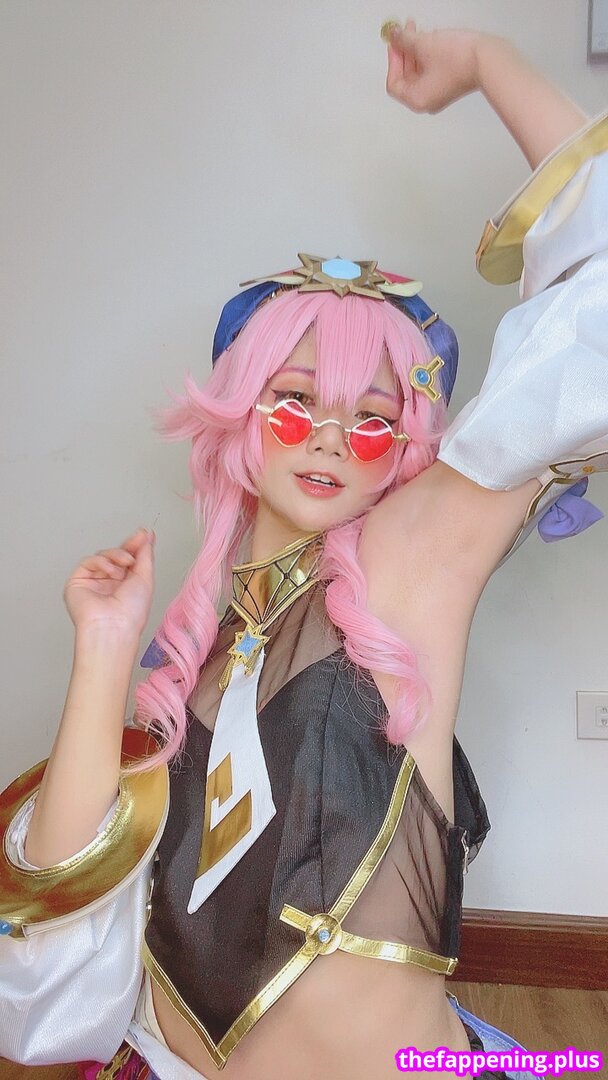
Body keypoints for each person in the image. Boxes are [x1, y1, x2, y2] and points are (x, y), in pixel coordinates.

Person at [1, 20, 607, 1080]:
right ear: (239, 414)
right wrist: (104, 646)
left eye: (372, 418)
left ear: (402, 450)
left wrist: (486, 64)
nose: (330, 437)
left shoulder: (411, 559)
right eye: (294, 402)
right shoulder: (195, 639)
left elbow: (593, 321)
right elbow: (54, 905)